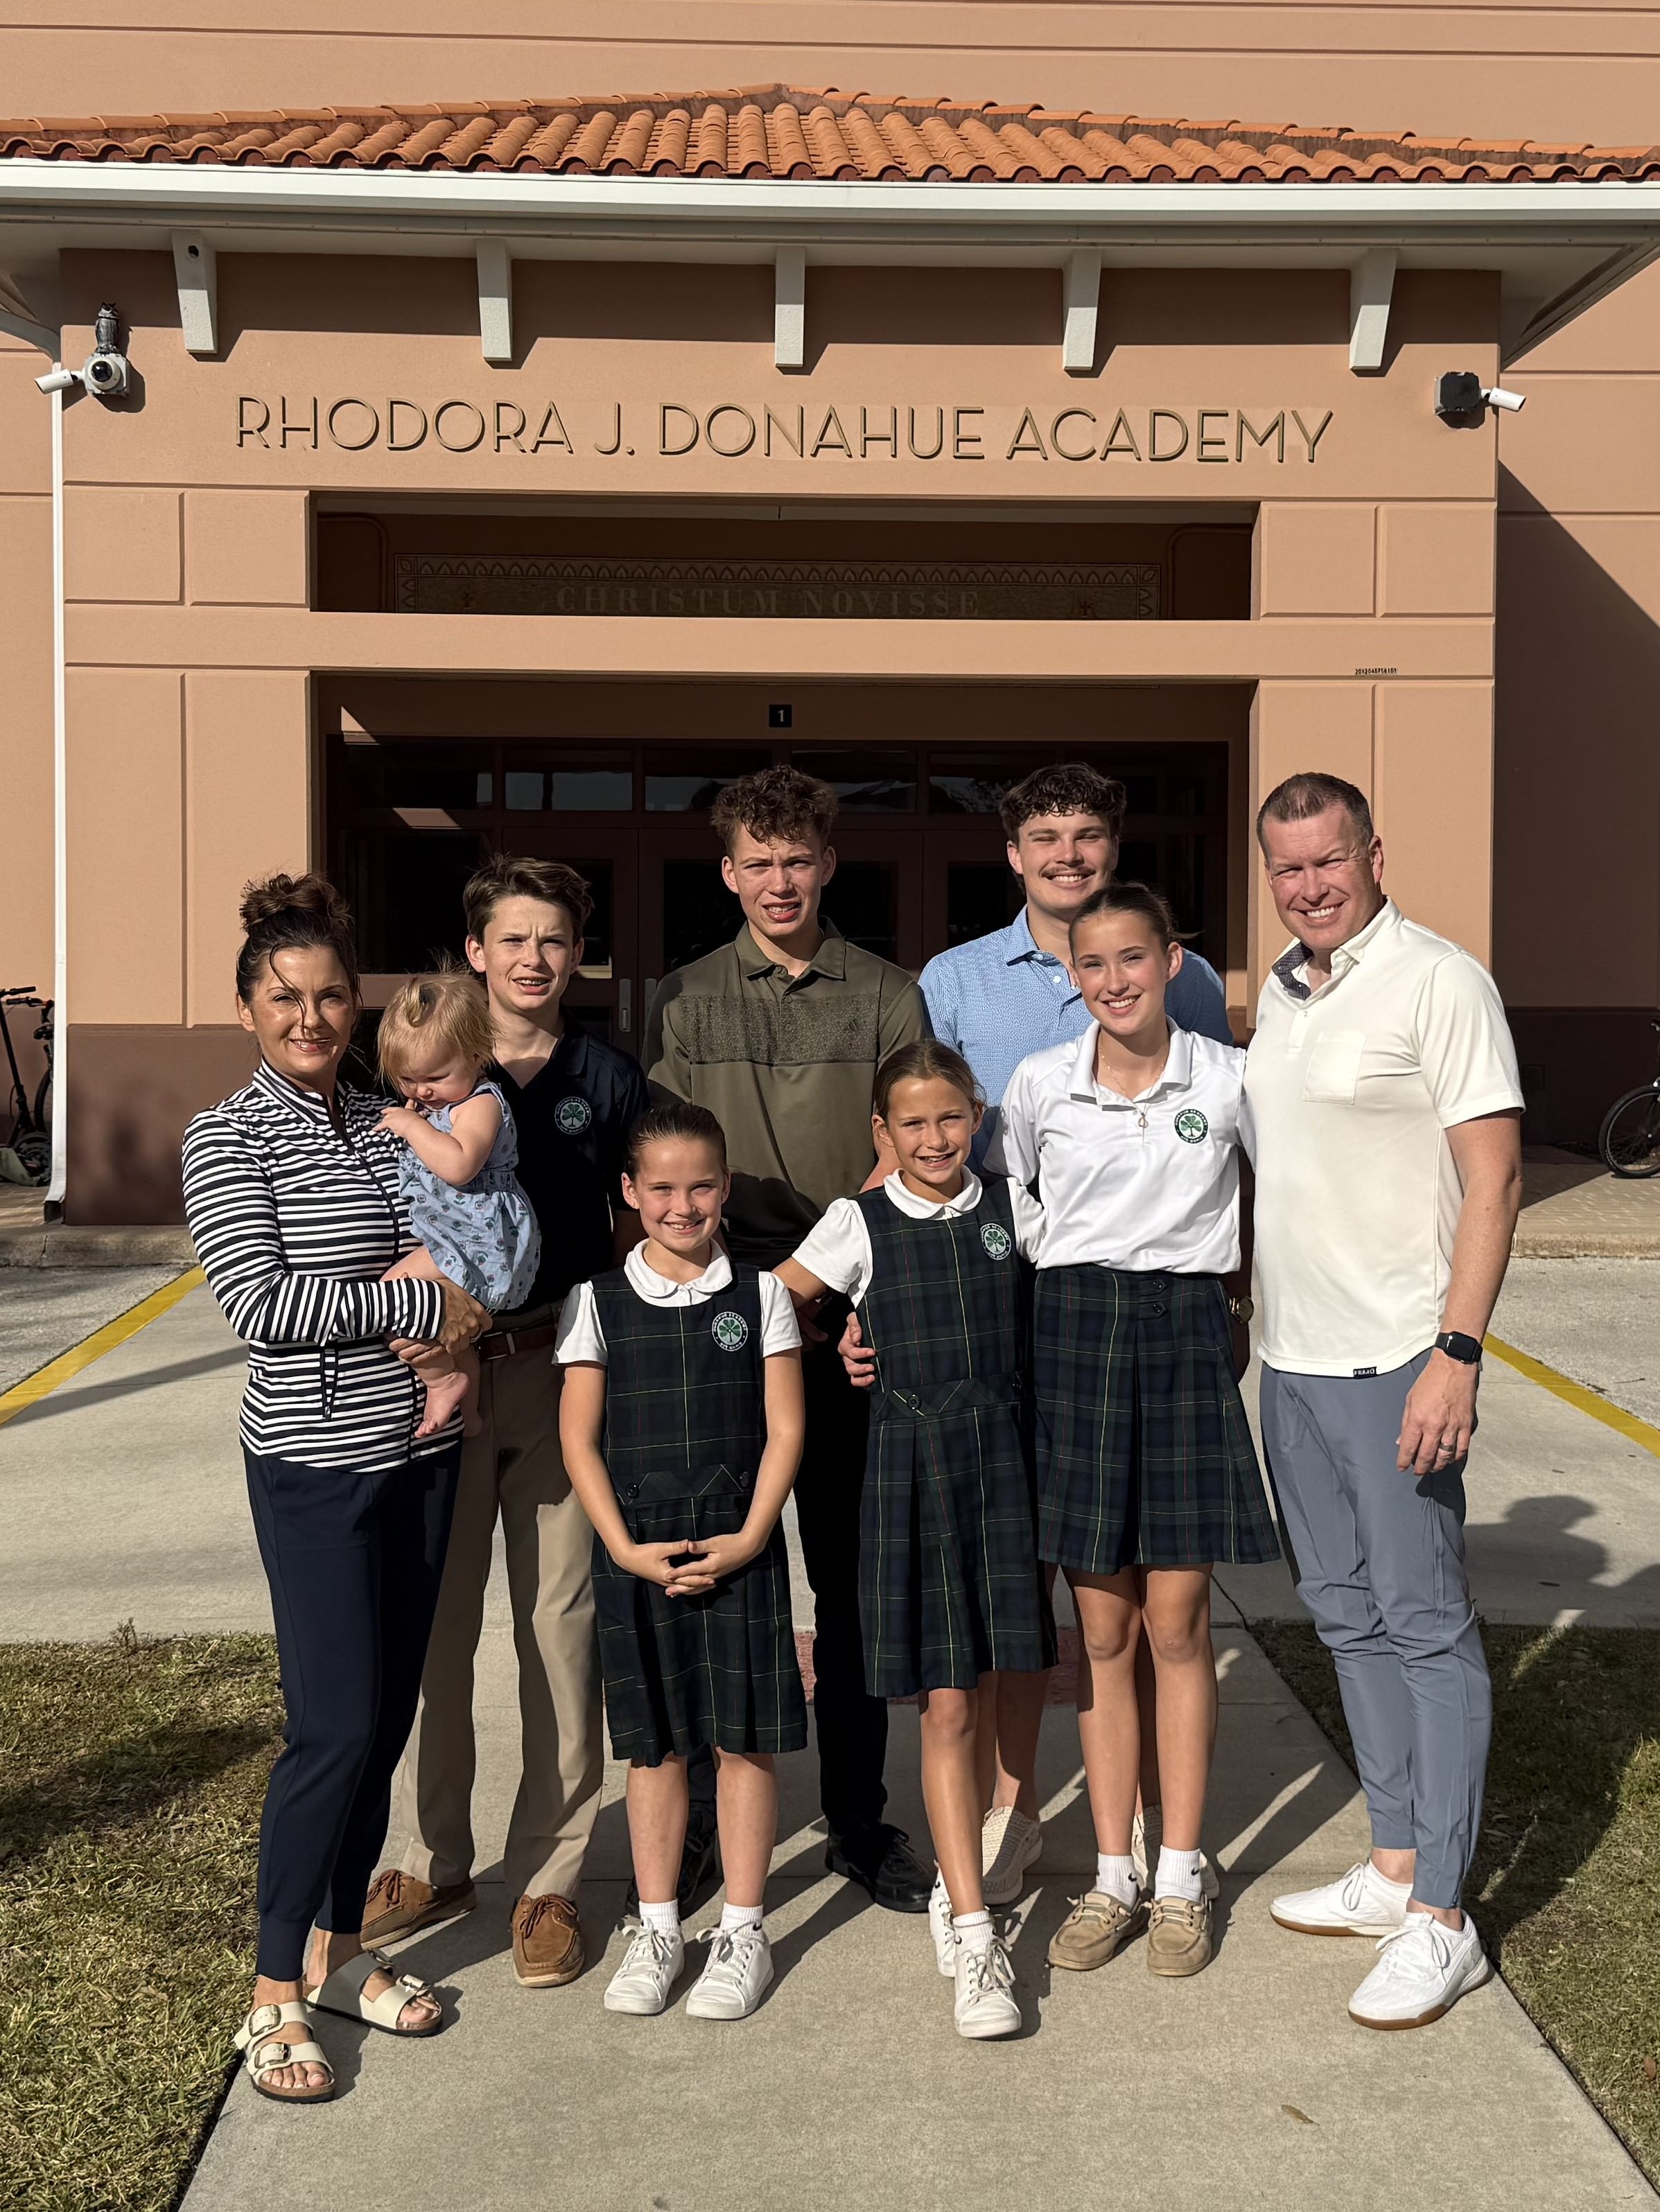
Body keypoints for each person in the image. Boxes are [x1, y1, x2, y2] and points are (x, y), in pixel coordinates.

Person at [182, 875, 489, 2106]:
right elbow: (260, 1304)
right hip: (312, 1467)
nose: (309, 1018)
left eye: (327, 997)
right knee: (332, 1729)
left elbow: (468, 1236)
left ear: (355, 1004)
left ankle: (342, 1949)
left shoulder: (383, 1120)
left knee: (388, 1716)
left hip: (419, 1457)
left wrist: (468, 1314)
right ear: (246, 1008)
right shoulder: (224, 1137)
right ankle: (272, 1991)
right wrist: (422, 1302)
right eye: (284, 998)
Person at [914, 760, 1234, 1905]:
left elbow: (1224, 1152)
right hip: (1010, 1308)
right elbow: (931, 1148)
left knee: (1152, 1597)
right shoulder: (954, 982)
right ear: (1012, 854)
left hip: (1151, 1314)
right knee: (1026, 1577)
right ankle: (1018, 1810)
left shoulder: (1190, 995)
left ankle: (1148, 1829)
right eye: (1043, 837)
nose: (1066, 855)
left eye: (1085, 834)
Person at [1248, 773, 1523, 2030]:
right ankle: (1395, 1859)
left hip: (1397, 1359)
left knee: (1423, 1625)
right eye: (1288, 867)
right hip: (1291, 1361)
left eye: (1330, 859)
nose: (1310, 886)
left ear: (1372, 853)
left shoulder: (1438, 981)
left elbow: (1494, 1179)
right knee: (1344, 1616)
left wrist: (1455, 1352)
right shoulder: (1281, 994)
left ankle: (1444, 1919)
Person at [645, 765, 934, 1913]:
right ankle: (707, 1824)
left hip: (843, 1322)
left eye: (797, 860)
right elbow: (670, 1157)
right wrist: (745, 1294)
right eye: (758, 862)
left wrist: (817, 1283)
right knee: (715, 1576)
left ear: (828, 865)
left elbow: (903, 1146)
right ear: (728, 873)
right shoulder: (685, 997)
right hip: (721, 1328)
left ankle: (859, 1822)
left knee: (854, 1589)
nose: (779, 881)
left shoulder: (890, 995)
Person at [368, 857, 649, 1991]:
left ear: (577, 953)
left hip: (554, 1372)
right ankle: (429, 1857)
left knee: (560, 1627)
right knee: (434, 1626)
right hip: (435, 1372)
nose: (535, 957)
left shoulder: (605, 1077)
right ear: (476, 952)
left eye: (555, 939)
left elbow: (637, 1230)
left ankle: (549, 1878)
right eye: (514, 938)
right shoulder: (429, 1065)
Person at [988, 881, 1277, 1981]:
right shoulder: (1037, 1083)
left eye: (1131, 959)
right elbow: (1009, 1197)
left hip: (1184, 1333)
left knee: (1177, 1623)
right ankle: (1112, 1875)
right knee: (1101, 1633)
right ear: (1072, 977)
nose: (1113, 981)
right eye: (1092, 963)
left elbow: (1275, 1195)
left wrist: (1235, 1303)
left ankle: (1180, 1876)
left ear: (1169, 963)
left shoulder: (1227, 1077)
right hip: (1072, 1335)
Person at [777, 1041, 1052, 2039]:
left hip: (1005, 1472)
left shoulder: (1013, 1207)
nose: (934, 1139)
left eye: (950, 1118)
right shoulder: (858, 1221)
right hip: (913, 1474)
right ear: (881, 1134)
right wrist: (831, 1339)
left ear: (974, 1117)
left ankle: (971, 1862)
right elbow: (770, 1304)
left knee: (995, 1678)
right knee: (944, 1701)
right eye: (912, 1123)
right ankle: (972, 1928)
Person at [558, 1101, 806, 2021]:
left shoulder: (761, 1296)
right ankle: (658, 1925)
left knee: (742, 1738)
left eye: (701, 1186)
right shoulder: (596, 1300)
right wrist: (623, 1548)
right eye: (661, 1188)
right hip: (639, 1551)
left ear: (725, 1186)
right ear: (629, 1191)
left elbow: (786, 1429)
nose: (682, 1205)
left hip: (740, 1546)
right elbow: (578, 1439)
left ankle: (743, 1928)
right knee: (655, 1745)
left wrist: (752, 1534)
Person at [376, 967, 540, 1436]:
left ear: (477, 1056)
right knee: (452, 1325)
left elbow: (459, 1165)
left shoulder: (480, 1104)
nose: (421, 1091)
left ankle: (442, 1379)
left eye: (435, 1077)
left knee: (392, 1293)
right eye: (407, 1079)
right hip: (462, 1235)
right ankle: (468, 1410)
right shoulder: (439, 1105)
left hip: (480, 1237)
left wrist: (413, 1127)